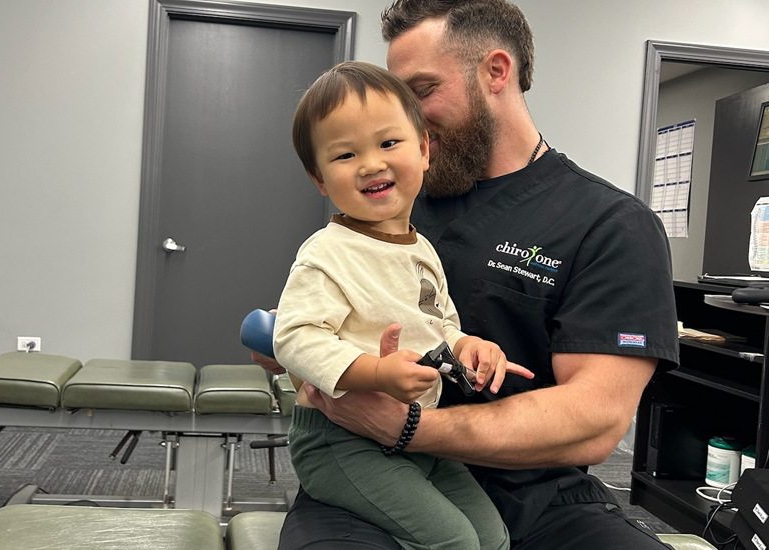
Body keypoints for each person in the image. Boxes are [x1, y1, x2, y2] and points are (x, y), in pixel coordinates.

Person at [255, 1, 680, 548]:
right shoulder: (391, 199)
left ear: (496, 72)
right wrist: (289, 350)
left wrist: (412, 428)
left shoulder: (611, 224)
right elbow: (308, 331)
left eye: (422, 92)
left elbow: (597, 417)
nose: (404, 123)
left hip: (532, 488)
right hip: (370, 471)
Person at [274, 60, 535, 550]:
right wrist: (374, 374)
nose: (371, 164)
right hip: (340, 442)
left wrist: (470, 346)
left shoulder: (421, 248)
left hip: (418, 432)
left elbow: (441, 325)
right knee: (454, 540)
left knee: (492, 537)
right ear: (319, 179)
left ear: (423, 150)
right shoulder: (326, 252)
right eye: (346, 154)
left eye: (388, 143)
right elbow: (295, 336)